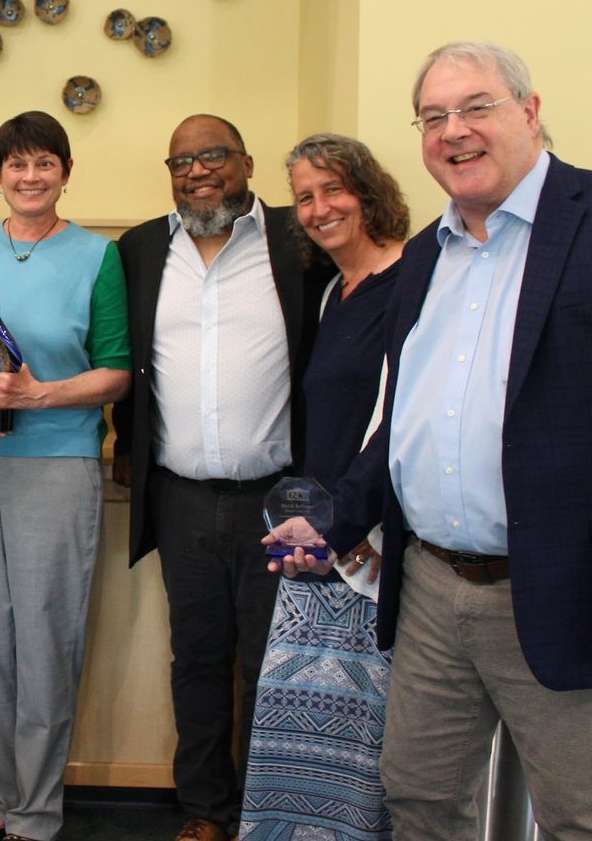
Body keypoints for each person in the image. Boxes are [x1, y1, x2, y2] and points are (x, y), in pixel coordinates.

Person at [272, 41, 592, 838]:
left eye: (476, 107)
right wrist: (334, 522)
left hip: (567, 594)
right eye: (434, 116)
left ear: (530, 112)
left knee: (589, 823)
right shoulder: (422, 259)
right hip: (432, 592)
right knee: (420, 801)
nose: (454, 131)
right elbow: (407, 423)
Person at [112, 114, 321, 841]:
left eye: (214, 156)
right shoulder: (141, 248)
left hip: (280, 499)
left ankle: (269, 814)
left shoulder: (297, 239)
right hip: (182, 498)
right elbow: (129, 361)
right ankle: (206, 811)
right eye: (181, 162)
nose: (197, 172)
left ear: (248, 163)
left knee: (274, 663)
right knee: (196, 659)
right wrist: (126, 447)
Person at [0, 110, 131, 841]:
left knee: (46, 633)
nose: (30, 176)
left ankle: (37, 813)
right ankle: (4, 798)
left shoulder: (97, 256)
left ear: (65, 172)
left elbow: (116, 373)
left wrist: (38, 395)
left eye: (44, 162)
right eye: (16, 163)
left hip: (57, 464)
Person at [237, 134, 407, 841]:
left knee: (365, 758)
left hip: (370, 553)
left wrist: (352, 534)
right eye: (305, 197)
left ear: (368, 192)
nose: (318, 208)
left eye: (333, 189)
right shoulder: (335, 292)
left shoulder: (413, 283)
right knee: (291, 737)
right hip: (316, 549)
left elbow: (400, 428)